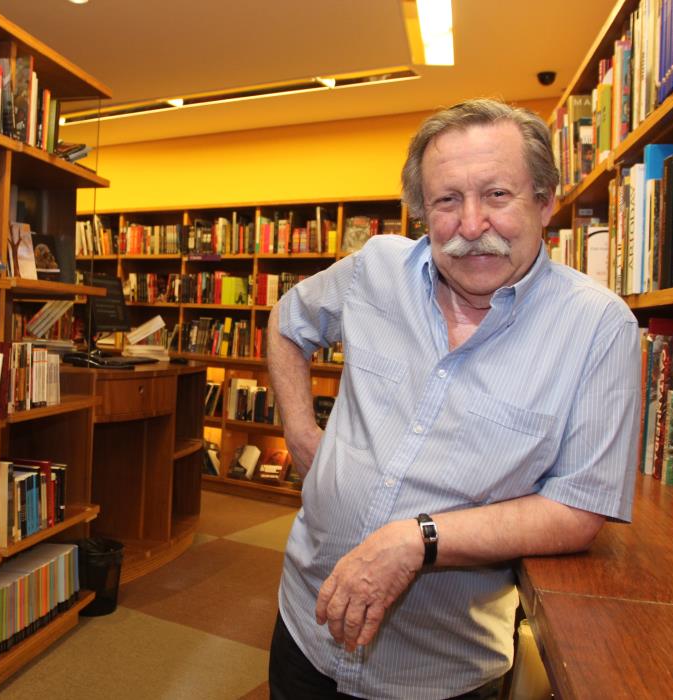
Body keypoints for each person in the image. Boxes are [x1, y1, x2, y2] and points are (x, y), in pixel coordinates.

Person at [266, 98, 640, 699]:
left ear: (545, 202)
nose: (471, 226)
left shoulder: (598, 328)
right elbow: (288, 321)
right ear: (422, 212)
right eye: (447, 201)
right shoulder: (375, 269)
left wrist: (417, 538)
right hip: (304, 626)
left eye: (497, 195)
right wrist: (299, 429)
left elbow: (577, 510)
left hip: (437, 674)